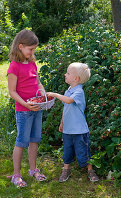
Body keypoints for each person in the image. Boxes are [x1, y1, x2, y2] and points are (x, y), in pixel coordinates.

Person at [47, 62, 99, 182]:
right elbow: (66, 108)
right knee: (67, 150)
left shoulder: (79, 92)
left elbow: (69, 101)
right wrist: (62, 122)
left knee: (83, 151)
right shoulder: (69, 90)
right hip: (68, 129)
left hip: (79, 130)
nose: (65, 74)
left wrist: (55, 94)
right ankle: (66, 170)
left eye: (68, 73)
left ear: (76, 78)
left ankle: (90, 170)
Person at [7, 29, 46, 187]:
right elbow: (12, 91)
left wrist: (42, 92)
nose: (33, 52)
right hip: (24, 111)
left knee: (35, 140)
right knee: (22, 141)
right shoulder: (14, 67)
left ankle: (33, 169)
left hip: (37, 108)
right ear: (21, 46)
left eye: (34, 49)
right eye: (31, 49)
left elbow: (38, 83)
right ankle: (16, 175)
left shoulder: (32, 64)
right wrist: (25, 104)